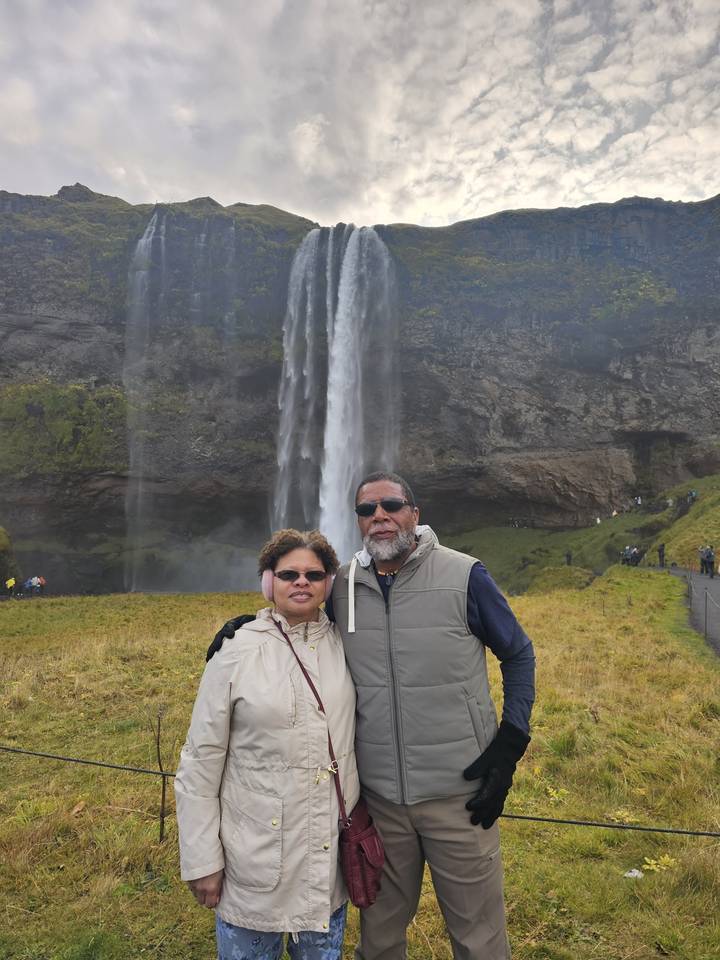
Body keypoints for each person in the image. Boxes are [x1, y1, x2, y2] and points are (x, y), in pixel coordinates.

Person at [328, 471, 535, 960]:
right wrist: (250, 628)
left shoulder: (465, 575)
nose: (378, 516)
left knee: (480, 940)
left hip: (459, 798)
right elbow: (295, 616)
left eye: (391, 505)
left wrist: (510, 744)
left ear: (414, 514)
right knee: (377, 940)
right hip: (378, 803)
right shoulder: (341, 586)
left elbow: (519, 654)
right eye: (365, 510)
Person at [175, 528, 360, 960]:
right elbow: (200, 760)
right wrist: (202, 861)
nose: (301, 582)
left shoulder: (347, 644)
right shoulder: (235, 651)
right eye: (288, 573)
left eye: (314, 575)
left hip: (324, 864)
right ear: (268, 581)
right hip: (253, 865)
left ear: (328, 584)